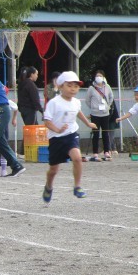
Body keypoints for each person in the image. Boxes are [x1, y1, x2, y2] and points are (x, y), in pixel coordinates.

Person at [42, 71, 97, 203]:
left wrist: (88, 123)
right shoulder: (54, 102)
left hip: (71, 135)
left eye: (76, 86)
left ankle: (77, 186)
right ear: (61, 86)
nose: (73, 89)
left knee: (77, 158)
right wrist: (57, 130)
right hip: (56, 139)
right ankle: (48, 186)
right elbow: (47, 121)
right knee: (53, 170)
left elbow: (78, 112)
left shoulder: (76, 102)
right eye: (69, 85)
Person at [85, 70, 114, 161]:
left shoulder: (107, 87)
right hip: (95, 114)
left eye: (100, 76)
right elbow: (87, 100)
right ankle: (95, 152)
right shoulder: (91, 88)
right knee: (96, 134)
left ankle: (106, 151)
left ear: (103, 77)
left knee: (105, 133)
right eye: (97, 76)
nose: (98, 77)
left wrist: (108, 106)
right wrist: (93, 107)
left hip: (105, 114)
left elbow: (111, 97)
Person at [116, 84, 138, 162]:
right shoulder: (137, 105)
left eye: (137, 94)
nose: (135, 96)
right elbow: (130, 113)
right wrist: (121, 118)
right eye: (135, 95)